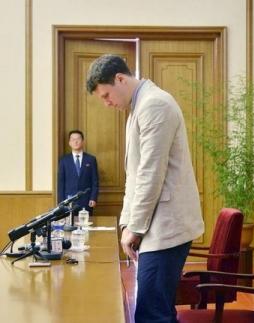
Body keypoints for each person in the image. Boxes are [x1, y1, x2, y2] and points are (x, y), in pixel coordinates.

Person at [86, 54, 204, 323]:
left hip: (167, 226)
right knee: (155, 310)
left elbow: (151, 175)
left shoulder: (155, 104)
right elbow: (134, 177)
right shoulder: (137, 108)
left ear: (120, 79)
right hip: (155, 224)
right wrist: (128, 224)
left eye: (106, 95)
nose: (106, 103)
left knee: (152, 313)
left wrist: (135, 228)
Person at [57, 129, 99, 215]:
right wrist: (61, 203)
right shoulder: (64, 160)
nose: (76, 142)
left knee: (86, 226)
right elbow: (61, 183)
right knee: (69, 226)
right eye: (73, 139)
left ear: (83, 141)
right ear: (69, 142)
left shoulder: (91, 159)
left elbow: (95, 181)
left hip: (87, 201)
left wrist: (93, 198)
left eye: (78, 139)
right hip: (69, 202)